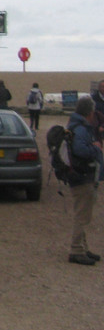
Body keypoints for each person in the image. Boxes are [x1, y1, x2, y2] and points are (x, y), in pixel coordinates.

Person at [66, 96, 102, 266]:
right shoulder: (81, 129)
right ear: (89, 111)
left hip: (81, 176)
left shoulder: (77, 126)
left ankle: (83, 247)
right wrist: (95, 148)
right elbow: (80, 149)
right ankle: (76, 250)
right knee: (82, 216)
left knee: (83, 214)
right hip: (83, 177)